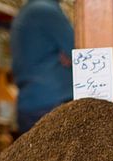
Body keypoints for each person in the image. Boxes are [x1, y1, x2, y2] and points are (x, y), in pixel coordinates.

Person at [10, 0, 74, 133]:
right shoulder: (45, 10)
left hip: (33, 102)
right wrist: (69, 56)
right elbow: (80, 51)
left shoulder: (30, 9)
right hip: (51, 103)